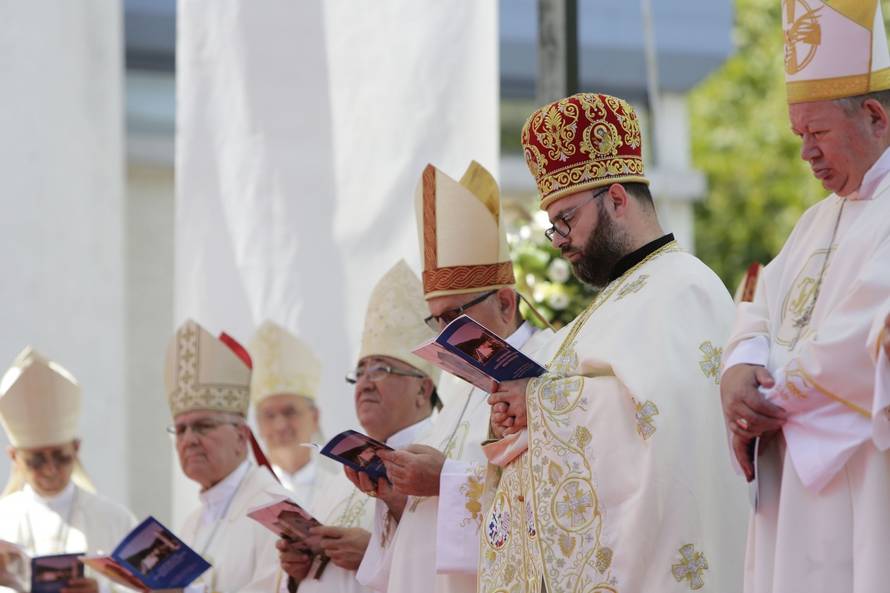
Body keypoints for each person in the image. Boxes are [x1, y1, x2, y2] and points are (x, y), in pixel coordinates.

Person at [481, 93, 747, 592]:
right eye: (553, 227)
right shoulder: (606, 307)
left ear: (618, 199)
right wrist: (518, 414)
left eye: (566, 219)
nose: (559, 240)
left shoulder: (684, 287)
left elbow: (673, 420)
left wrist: (540, 404)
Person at [720, 3, 890, 590]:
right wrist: (738, 370)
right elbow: (758, 305)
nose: (806, 154)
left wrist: (769, 395)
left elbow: (864, 340)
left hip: (864, 477)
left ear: (875, 116)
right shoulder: (815, 222)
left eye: (818, 133)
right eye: (799, 136)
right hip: (789, 483)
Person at [355, 162, 551, 593]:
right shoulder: (458, 392)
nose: (445, 335)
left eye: (455, 316)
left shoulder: (549, 371)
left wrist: (445, 479)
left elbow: (553, 496)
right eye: (437, 321)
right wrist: (396, 494)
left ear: (505, 303)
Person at [278, 259, 440, 593]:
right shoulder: (339, 480)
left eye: (380, 369)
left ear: (423, 389)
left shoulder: (441, 457)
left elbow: (460, 559)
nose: (364, 383)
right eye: (360, 372)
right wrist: (300, 568)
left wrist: (373, 553)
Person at [164, 320, 293, 593]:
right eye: (180, 429)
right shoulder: (191, 524)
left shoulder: (276, 511)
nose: (189, 440)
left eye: (203, 426)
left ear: (241, 436)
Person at [0, 348, 135, 593]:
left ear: (76, 448)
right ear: (14, 457)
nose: (50, 469)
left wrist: (102, 590)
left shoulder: (115, 520)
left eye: (61, 457)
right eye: (36, 461)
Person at [249, 320, 333, 507]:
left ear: (314, 418)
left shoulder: (341, 492)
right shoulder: (245, 500)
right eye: (269, 415)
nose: (280, 425)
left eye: (290, 412)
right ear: (258, 424)